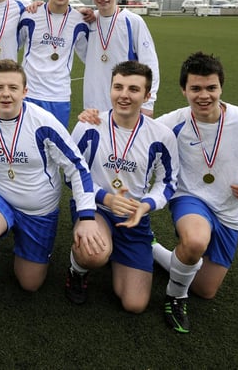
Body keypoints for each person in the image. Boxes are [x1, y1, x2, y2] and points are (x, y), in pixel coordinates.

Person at [151, 52, 238, 333]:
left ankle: (154, 250)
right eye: (195, 88)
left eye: (211, 88)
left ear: (221, 87)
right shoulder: (173, 123)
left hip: (231, 210)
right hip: (190, 198)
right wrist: (96, 118)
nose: (204, 96)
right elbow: (134, 130)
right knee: (195, 242)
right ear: (184, 90)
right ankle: (175, 297)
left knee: (205, 290)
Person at [0, 59, 105, 307]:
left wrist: (88, 217)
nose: (6, 94)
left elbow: (78, 166)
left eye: (13, 88)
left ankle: (51, 258)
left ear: (25, 91)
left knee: (30, 283)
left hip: (39, 209)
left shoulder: (44, 122)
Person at [66, 61, 178, 313]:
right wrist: (106, 198)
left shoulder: (161, 135)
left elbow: (168, 183)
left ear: (147, 95)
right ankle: (77, 270)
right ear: (111, 89)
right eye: (118, 87)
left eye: (134, 89)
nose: (124, 95)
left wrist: (145, 205)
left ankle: (129, 248)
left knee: (135, 304)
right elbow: (71, 174)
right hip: (95, 208)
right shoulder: (89, 125)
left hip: (133, 217)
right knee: (93, 255)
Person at [79, 0, 159, 116]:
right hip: (93, 104)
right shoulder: (88, 21)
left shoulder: (132, 21)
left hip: (125, 102)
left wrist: (148, 102)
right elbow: (87, 57)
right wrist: (78, 12)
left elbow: (150, 63)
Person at [17, 0, 90, 128]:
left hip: (59, 97)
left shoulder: (80, 21)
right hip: (29, 93)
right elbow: (11, 46)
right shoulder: (30, 15)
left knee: (55, 149)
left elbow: (90, 59)